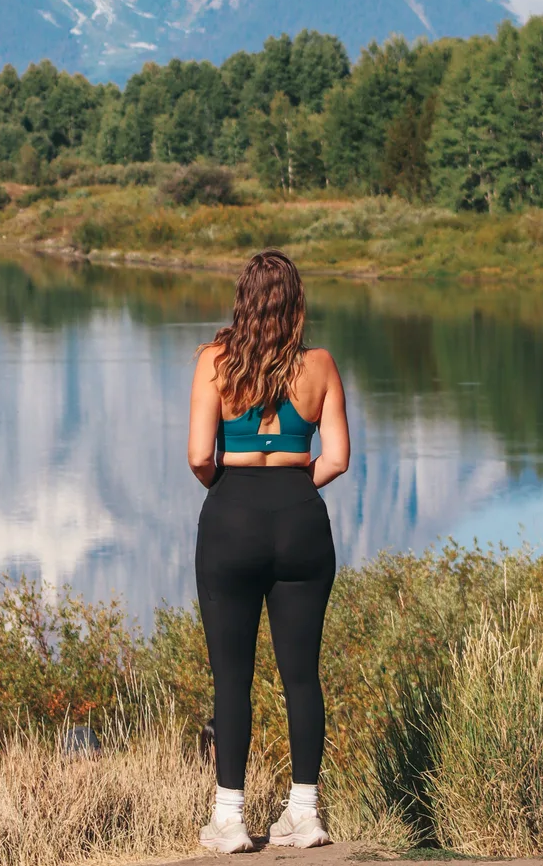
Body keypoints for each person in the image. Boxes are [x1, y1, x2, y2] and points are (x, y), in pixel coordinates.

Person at [187, 250, 350, 853]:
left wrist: (234, 494)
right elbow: (336, 458)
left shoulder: (213, 363)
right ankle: (303, 813)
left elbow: (200, 456)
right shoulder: (321, 366)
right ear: (296, 304)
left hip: (231, 520)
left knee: (232, 678)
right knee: (301, 676)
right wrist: (292, 487)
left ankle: (229, 818)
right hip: (301, 522)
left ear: (244, 302)